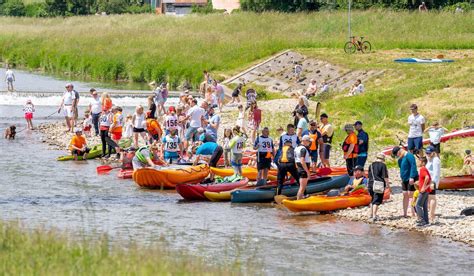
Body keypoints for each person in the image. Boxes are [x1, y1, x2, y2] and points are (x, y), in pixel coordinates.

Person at [392, 146, 418, 218]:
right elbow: (401, 168)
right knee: (405, 194)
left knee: (411, 194)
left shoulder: (409, 155)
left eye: (397, 154)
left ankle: (413, 212)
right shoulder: (400, 159)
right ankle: (405, 213)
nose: (397, 156)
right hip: (404, 179)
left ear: (400, 151)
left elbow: (413, 166)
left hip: (411, 178)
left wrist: (412, 177)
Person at [368, 153, 390, 222]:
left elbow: (369, 175)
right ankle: (374, 216)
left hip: (371, 183)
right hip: (379, 184)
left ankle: (370, 214)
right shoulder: (383, 165)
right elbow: (385, 176)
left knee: (372, 199)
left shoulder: (371, 165)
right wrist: (388, 184)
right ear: (383, 159)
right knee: (377, 200)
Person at [425, 146, 440, 223]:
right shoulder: (429, 159)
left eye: (429, 153)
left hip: (432, 182)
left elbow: (436, 172)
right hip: (427, 181)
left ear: (433, 152)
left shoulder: (436, 160)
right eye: (426, 153)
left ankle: (432, 215)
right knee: (428, 197)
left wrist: (433, 182)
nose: (427, 154)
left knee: (432, 197)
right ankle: (429, 213)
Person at [295, 135, 312, 200]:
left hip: (299, 168)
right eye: (309, 142)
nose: (309, 143)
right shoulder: (303, 149)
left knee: (301, 188)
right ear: (304, 141)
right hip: (303, 170)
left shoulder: (297, 147)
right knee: (302, 188)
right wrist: (307, 172)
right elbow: (302, 161)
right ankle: (298, 201)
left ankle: (299, 199)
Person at [416, 157, 431, 226]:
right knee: (424, 206)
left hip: (423, 191)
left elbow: (427, 177)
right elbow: (429, 179)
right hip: (426, 190)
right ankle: (426, 221)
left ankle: (422, 220)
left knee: (417, 205)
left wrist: (423, 187)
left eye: (419, 161)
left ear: (423, 163)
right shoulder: (425, 169)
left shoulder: (422, 169)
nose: (417, 163)